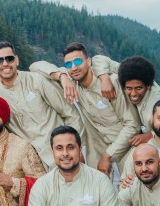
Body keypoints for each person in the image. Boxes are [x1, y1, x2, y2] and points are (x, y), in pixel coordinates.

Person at [30, 42, 136, 176]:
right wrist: (62, 77)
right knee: (94, 187)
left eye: (78, 61)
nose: (74, 67)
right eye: (68, 64)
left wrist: (108, 156)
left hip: (126, 144)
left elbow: (132, 125)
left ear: (88, 61)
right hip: (97, 144)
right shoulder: (72, 81)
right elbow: (35, 66)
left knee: (130, 186)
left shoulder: (110, 82)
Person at [0, 41, 84, 168]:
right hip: (33, 165)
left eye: (9, 59)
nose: (5, 63)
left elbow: (70, 113)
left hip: (62, 156)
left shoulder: (36, 80)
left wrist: (77, 148)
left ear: (16, 60)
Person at [92, 54, 160, 144]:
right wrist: (105, 78)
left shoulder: (157, 104)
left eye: (138, 88)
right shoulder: (127, 72)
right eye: (129, 88)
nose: (134, 94)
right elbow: (98, 59)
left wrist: (150, 135)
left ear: (148, 86)